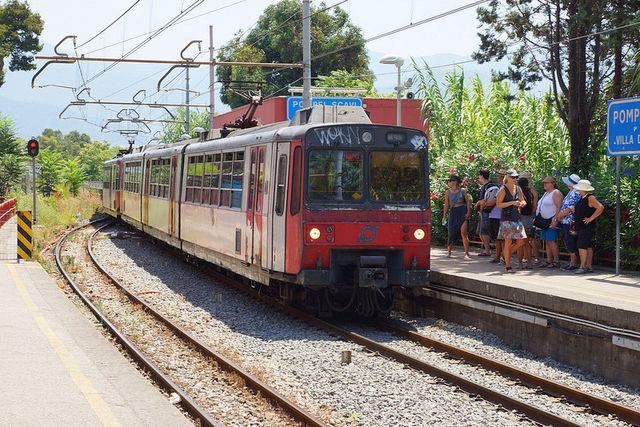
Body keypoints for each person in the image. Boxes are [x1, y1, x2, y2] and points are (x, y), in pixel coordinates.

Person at [495, 169, 527, 273]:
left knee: (521, 241)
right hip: (506, 219)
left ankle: (505, 256)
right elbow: (498, 204)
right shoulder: (503, 189)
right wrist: (512, 203)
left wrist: (522, 203)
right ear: (507, 177)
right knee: (508, 242)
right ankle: (508, 266)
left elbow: (523, 200)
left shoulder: (518, 188)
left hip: (517, 218)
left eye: (516, 177)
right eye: (513, 177)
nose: (515, 179)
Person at [573, 180, 604, 274]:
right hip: (584, 226)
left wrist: (591, 218)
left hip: (586, 226)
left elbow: (600, 207)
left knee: (582, 245)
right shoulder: (584, 197)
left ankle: (583, 266)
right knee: (587, 245)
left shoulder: (590, 198)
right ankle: (588, 266)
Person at [536, 176, 563, 268]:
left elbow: (559, 207)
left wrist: (555, 220)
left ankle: (556, 261)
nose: (545, 184)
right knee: (547, 241)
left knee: (551, 241)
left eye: (547, 182)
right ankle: (549, 260)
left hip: (551, 221)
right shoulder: (546, 193)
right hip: (543, 221)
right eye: (544, 182)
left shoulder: (556, 193)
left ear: (553, 184)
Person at [556, 174, 582, 271]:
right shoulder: (572, 192)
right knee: (568, 240)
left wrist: (559, 216)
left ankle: (573, 263)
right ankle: (572, 262)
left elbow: (570, 208)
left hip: (569, 221)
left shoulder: (575, 193)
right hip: (566, 221)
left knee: (570, 241)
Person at [443, 175, 472, 258]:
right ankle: (449, 253)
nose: (449, 183)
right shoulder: (448, 192)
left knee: (464, 233)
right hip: (453, 211)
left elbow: (467, 202)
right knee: (451, 232)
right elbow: (446, 204)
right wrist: (444, 215)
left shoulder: (462, 191)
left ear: (455, 181)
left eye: (450, 181)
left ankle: (466, 253)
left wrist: (468, 213)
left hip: (462, 211)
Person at [474, 169, 497, 256]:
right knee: (481, 232)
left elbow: (489, 200)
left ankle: (487, 250)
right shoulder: (486, 186)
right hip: (483, 211)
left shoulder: (490, 186)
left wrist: (480, 203)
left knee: (484, 231)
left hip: (487, 211)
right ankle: (486, 249)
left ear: (482, 176)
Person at [516, 177, 537, 268]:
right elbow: (534, 207)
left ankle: (520, 263)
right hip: (529, 218)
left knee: (520, 243)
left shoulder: (520, 194)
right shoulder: (530, 193)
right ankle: (529, 263)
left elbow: (519, 209)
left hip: (521, 218)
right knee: (526, 242)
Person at [520, 171, 540, 263]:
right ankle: (529, 257)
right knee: (528, 238)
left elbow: (534, 206)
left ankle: (533, 257)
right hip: (529, 215)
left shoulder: (531, 191)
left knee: (529, 238)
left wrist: (529, 214)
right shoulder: (532, 190)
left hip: (528, 216)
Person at [488, 169, 506, 264]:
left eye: (499, 176)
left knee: (502, 239)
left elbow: (496, 200)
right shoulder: (500, 187)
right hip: (494, 215)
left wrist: (485, 204)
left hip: (499, 216)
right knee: (497, 238)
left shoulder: (504, 188)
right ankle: (497, 257)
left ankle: (504, 257)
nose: (498, 178)